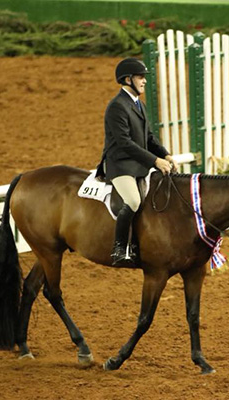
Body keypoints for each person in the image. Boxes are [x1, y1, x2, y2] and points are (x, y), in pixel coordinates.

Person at [96, 58, 175, 267]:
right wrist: (155, 160)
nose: (144, 81)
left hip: (138, 164)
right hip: (120, 164)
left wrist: (165, 155)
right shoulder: (117, 107)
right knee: (132, 200)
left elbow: (149, 137)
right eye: (141, 77)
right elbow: (125, 143)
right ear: (128, 79)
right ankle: (119, 248)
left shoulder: (140, 105)